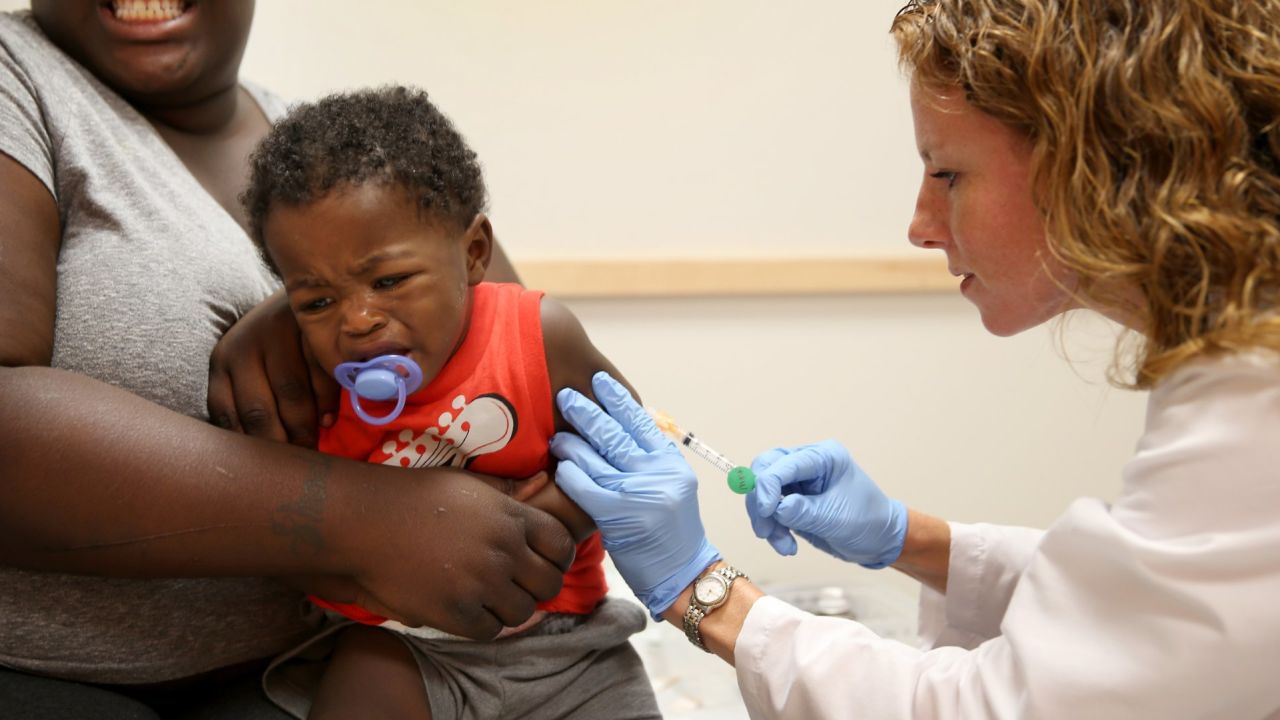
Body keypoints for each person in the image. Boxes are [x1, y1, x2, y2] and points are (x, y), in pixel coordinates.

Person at [548, 0, 1280, 717]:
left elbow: (1009, 706)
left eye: (948, 174)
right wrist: (915, 539)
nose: (919, 226)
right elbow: (1147, 616)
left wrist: (702, 589)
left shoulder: (1255, 395)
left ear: (1098, 157)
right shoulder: (1241, 355)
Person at [0, 2, 570, 717]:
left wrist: (313, 301)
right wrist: (373, 523)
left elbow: (515, 347)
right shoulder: (16, 76)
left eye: (383, 281)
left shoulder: (328, 148)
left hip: (315, 668)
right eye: (316, 298)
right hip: (43, 677)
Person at [239, 85, 660, 720]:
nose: (357, 320)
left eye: (389, 282)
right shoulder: (311, 384)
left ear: (472, 254)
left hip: (566, 645)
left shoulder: (536, 337)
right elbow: (294, 539)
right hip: (402, 646)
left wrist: (531, 529)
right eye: (316, 302)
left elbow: (624, 444)